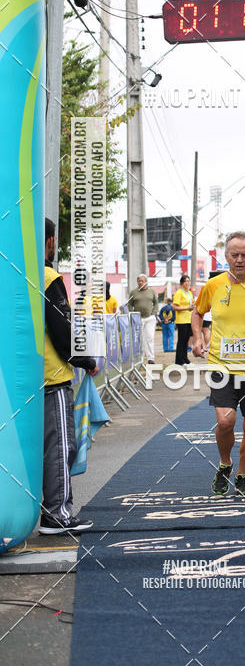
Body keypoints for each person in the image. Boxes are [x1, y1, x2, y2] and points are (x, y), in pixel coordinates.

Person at [39, 218, 99, 535]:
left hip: (19, 384)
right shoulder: (47, 277)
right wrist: (86, 361)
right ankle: (57, 515)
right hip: (51, 379)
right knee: (60, 448)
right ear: (50, 241)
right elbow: (63, 332)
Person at [192, 233, 245, 499]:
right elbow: (197, 312)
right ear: (226, 257)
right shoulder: (214, 285)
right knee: (225, 421)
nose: (239, 260)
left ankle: (242, 475)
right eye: (234, 255)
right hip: (221, 366)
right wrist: (198, 338)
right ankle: (225, 463)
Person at [128, 273, 158, 364]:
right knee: (139, 339)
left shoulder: (151, 291)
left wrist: (154, 313)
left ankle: (150, 358)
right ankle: (139, 358)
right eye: (139, 281)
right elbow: (130, 304)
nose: (140, 282)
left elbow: (156, 303)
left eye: (142, 281)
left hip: (150, 318)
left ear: (146, 282)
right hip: (138, 319)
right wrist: (132, 314)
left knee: (150, 337)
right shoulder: (133, 292)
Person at [173, 274, 194, 365]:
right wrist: (186, 308)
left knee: (186, 340)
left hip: (189, 319)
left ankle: (185, 358)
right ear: (182, 283)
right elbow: (175, 307)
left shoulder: (189, 293)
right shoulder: (179, 293)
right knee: (181, 340)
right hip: (181, 320)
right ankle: (179, 360)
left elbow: (192, 304)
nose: (187, 283)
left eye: (188, 281)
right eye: (185, 281)